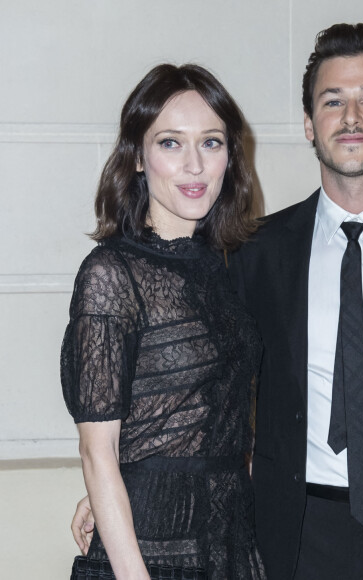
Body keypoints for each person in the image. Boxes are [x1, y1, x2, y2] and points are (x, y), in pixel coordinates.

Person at [73, 23, 363, 580]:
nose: (351, 117)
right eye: (333, 101)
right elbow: (201, 387)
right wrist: (124, 486)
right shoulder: (252, 251)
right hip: (282, 539)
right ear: (309, 124)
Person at [61, 63, 266, 579]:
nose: (194, 165)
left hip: (230, 545)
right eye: (171, 143)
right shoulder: (111, 272)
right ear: (137, 156)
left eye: (212, 143)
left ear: (229, 158)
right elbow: (97, 448)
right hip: (149, 553)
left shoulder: (220, 269)